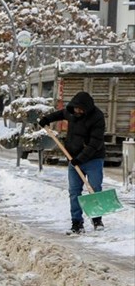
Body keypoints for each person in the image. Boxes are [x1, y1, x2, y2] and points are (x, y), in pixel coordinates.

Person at [38, 91, 107, 234]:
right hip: (73, 157)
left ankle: (97, 219)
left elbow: (95, 143)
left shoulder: (97, 117)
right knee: (74, 192)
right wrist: (46, 119)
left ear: (87, 109)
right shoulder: (71, 112)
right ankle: (76, 222)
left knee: (94, 189)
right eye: (76, 109)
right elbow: (60, 114)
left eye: (81, 110)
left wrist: (80, 159)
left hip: (93, 159)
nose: (78, 112)